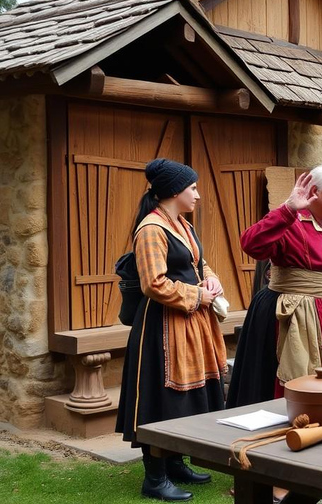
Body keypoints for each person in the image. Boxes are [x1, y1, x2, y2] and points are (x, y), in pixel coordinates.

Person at [115, 158, 227, 502]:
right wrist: (198, 296)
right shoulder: (151, 229)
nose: (198, 194)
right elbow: (154, 283)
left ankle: (176, 463)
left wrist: (211, 278)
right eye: (192, 188)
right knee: (162, 398)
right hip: (161, 328)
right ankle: (155, 477)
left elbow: (197, 261)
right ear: (175, 191)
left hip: (190, 322)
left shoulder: (182, 224)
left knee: (186, 395)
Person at [227, 166, 322, 408]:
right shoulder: (291, 222)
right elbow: (251, 244)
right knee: (291, 384)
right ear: (314, 192)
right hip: (292, 317)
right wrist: (287, 209)